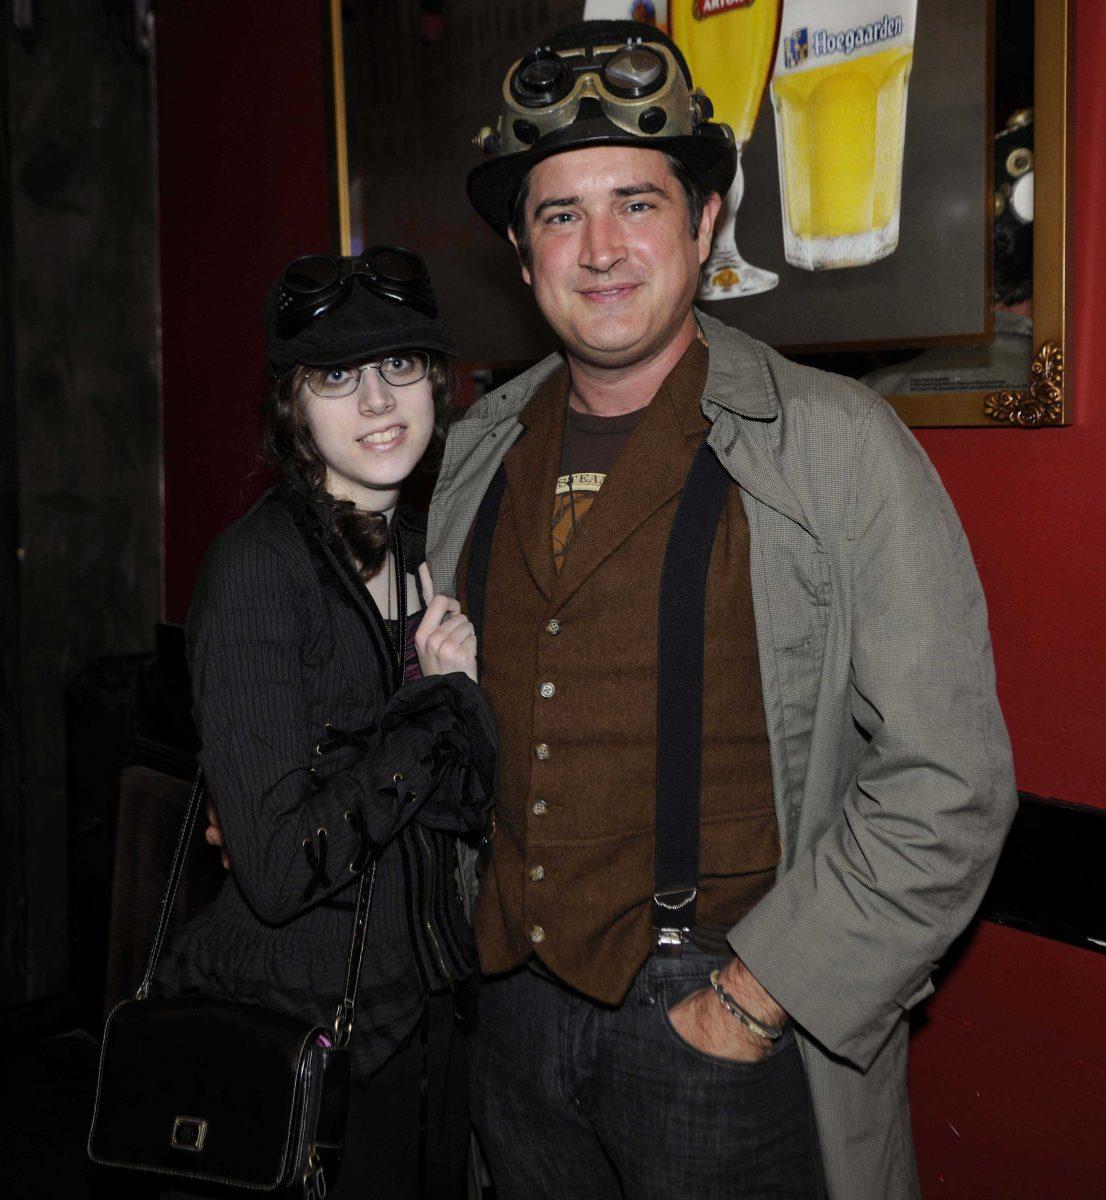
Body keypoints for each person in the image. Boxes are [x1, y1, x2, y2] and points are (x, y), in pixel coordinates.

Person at [424, 19, 1017, 1200]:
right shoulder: (466, 456)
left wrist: (751, 1002)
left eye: (636, 203)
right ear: (518, 247)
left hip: (714, 1028)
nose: (598, 248)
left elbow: (948, 781)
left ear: (702, 224)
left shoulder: (837, 446)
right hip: (504, 1024)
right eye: (558, 213)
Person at [158, 245, 496, 1200]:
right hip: (293, 1039)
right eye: (337, 377)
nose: (378, 402)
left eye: (400, 366)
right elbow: (272, 872)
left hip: (426, 1030)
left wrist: (460, 706)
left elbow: (468, 806)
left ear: (435, 384)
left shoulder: (433, 548)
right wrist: (438, 707)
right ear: (294, 409)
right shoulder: (259, 573)